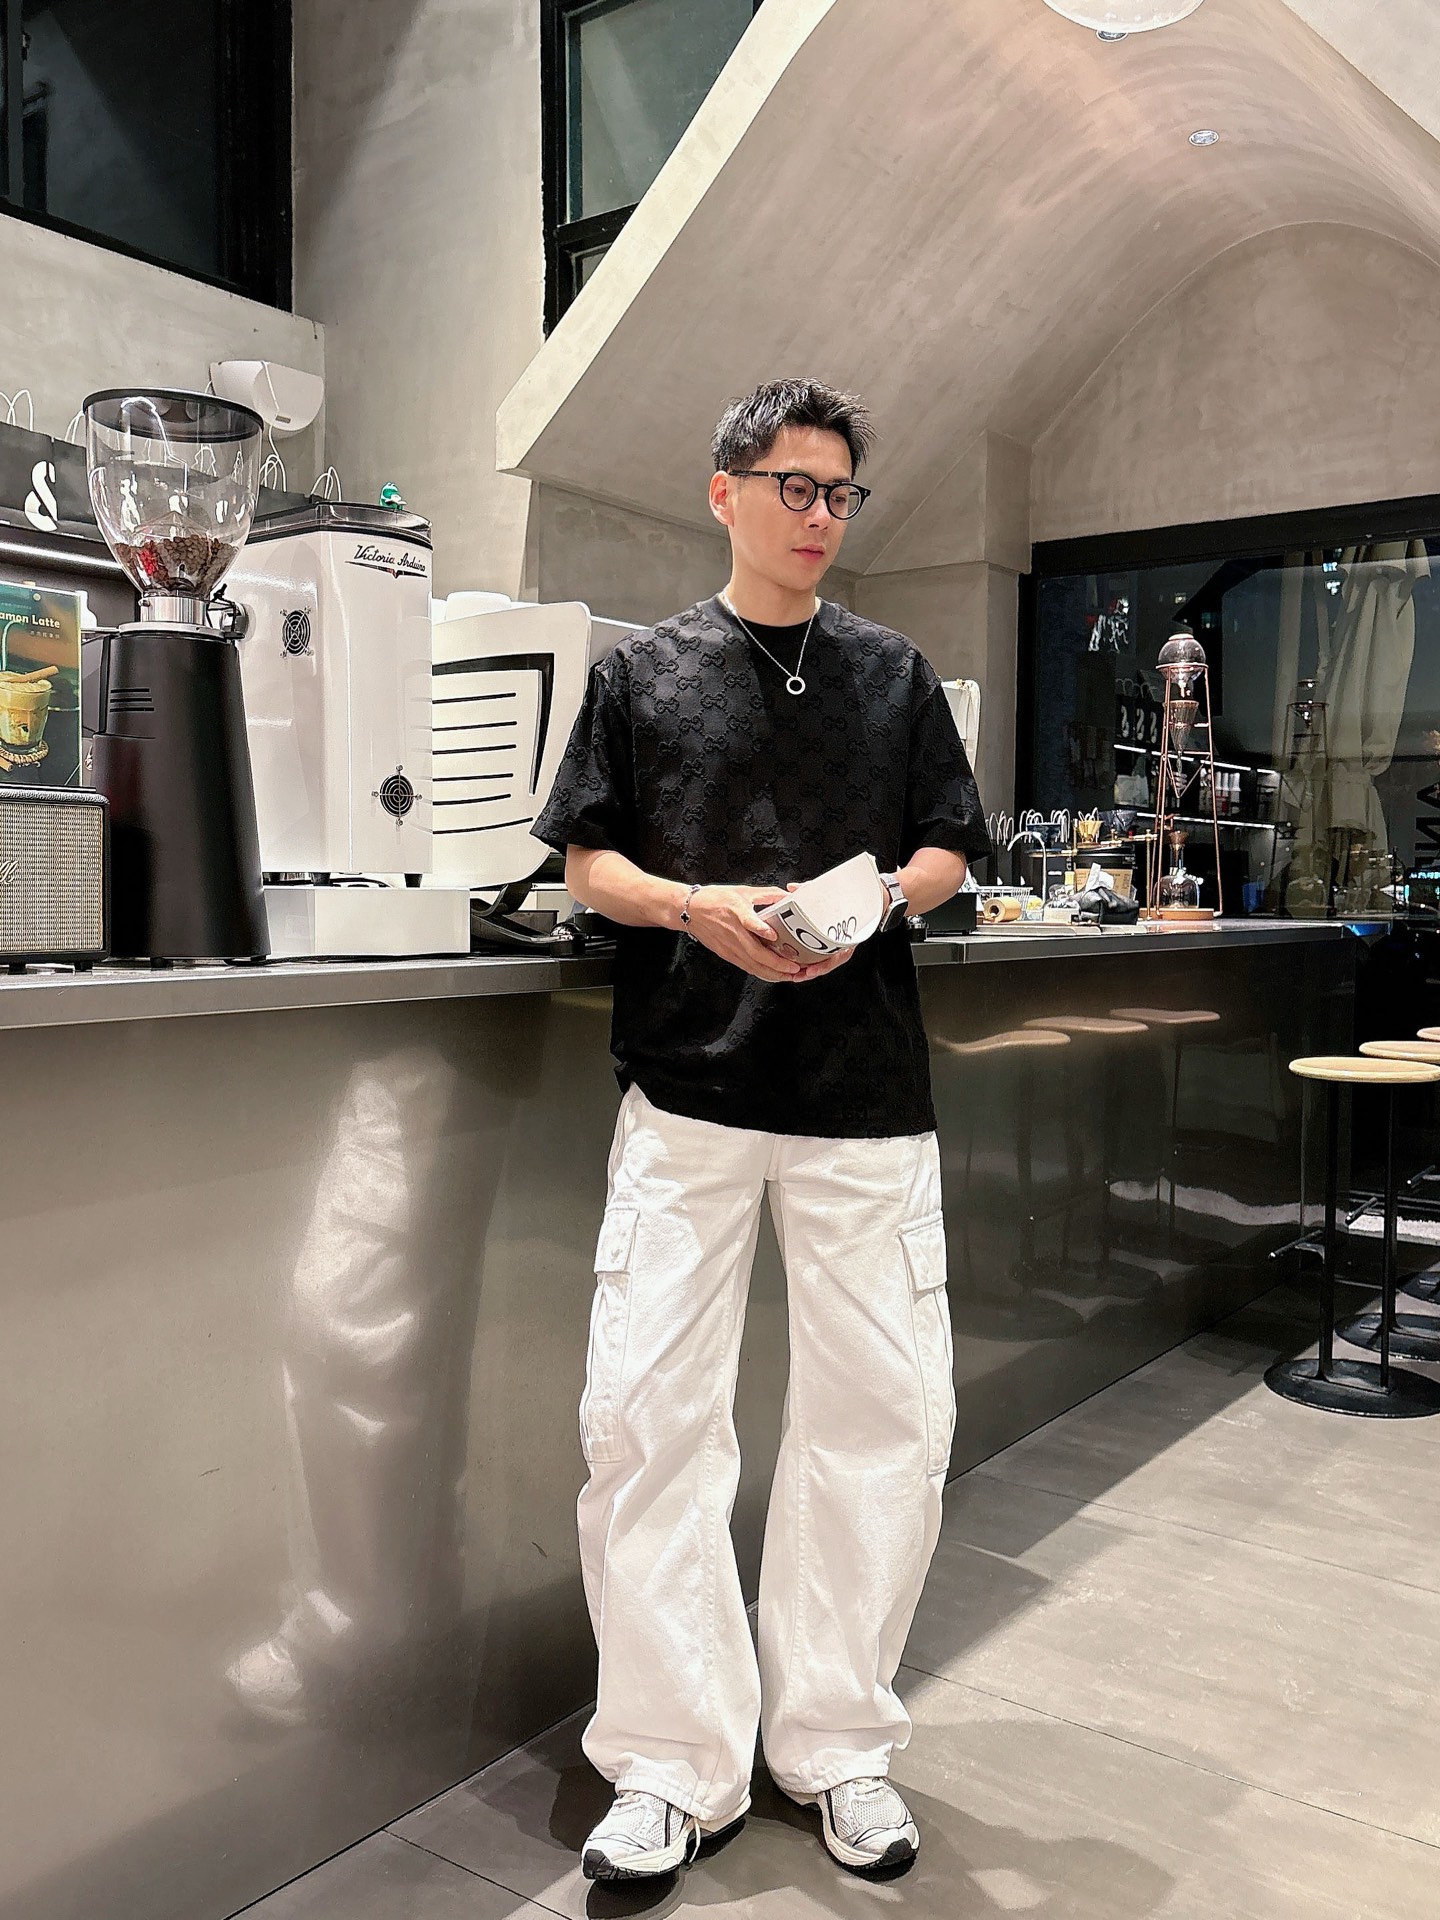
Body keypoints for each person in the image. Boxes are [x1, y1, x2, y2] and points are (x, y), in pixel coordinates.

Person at [534, 377, 990, 1884]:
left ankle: (837, 1741)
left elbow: (948, 846)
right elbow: (587, 862)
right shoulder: (644, 674)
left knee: (885, 1420)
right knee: (647, 1421)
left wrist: (875, 902)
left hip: (865, 1094)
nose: (819, 516)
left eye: (839, 493)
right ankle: (671, 1762)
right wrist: (695, 906)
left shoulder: (893, 673)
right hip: (689, 1086)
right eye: (794, 486)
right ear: (724, 490)